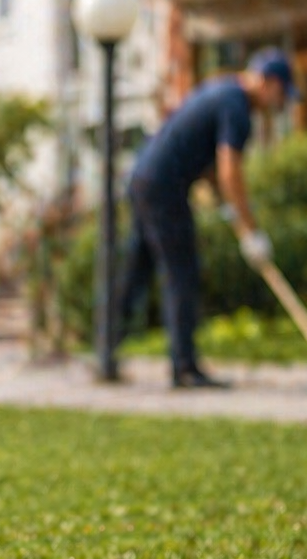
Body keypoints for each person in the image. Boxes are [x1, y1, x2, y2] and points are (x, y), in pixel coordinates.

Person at [113, 48, 296, 388]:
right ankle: (184, 368)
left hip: (143, 179)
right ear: (269, 83)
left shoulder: (221, 91)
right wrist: (249, 231)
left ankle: (105, 352)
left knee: (137, 272)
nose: (280, 104)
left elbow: (209, 163)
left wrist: (225, 206)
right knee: (182, 272)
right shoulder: (238, 107)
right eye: (282, 95)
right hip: (165, 187)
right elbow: (230, 171)